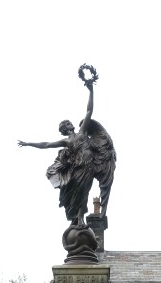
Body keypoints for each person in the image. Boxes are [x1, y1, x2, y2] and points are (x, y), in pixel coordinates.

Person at [18, 78, 115, 226]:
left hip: (89, 166)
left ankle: (81, 218)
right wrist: (28, 143)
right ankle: (76, 218)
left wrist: (91, 90)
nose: (69, 124)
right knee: (77, 193)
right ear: (64, 130)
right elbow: (46, 144)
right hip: (78, 168)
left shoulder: (83, 132)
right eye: (66, 125)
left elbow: (89, 110)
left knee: (85, 192)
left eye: (68, 122)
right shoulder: (66, 142)